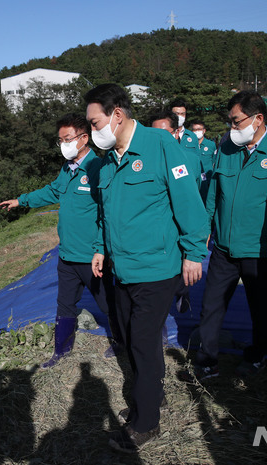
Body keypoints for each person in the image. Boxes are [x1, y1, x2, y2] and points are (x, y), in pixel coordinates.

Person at [85, 84, 208, 452]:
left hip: (156, 267)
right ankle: (151, 396)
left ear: (117, 115)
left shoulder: (160, 145)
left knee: (141, 339)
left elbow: (188, 202)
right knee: (130, 336)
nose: (93, 132)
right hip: (121, 268)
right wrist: (100, 249)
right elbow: (105, 214)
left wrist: (193, 252)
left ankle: (147, 422)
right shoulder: (107, 160)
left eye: (95, 123)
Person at [182, 90, 267, 382]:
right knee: (211, 306)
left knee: (261, 310)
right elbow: (213, 196)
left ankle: (257, 355)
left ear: (258, 119)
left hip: (262, 251)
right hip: (224, 248)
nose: (232, 128)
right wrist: (205, 231)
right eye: (230, 122)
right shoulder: (227, 149)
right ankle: (207, 360)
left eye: (237, 122)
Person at [0, 113, 120, 368]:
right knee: (64, 304)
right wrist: (22, 200)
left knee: (108, 303)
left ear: (84, 138)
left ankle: (122, 341)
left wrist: (101, 249)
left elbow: (107, 213)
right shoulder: (67, 168)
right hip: (66, 254)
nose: (64, 144)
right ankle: (61, 349)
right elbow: (53, 191)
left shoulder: (98, 168)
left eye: (68, 139)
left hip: (91, 256)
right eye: (60, 140)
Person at [149, 109, 205, 314]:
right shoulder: (145, 161)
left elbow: (193, 196)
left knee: (179, 266)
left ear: (176, 133)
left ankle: (182, 291)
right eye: (155, 133)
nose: (160, 139)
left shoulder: (189, 158)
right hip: (157, 227)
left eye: (166, 133)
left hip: (179, 223)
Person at [189, 119, 218, 198]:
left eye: (199, 129)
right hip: (193, 180)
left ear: (204, 131)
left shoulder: (211, 145)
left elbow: (214, 161)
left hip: (207, 181)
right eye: (194, 130)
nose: (197, 131)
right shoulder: (189, 145)